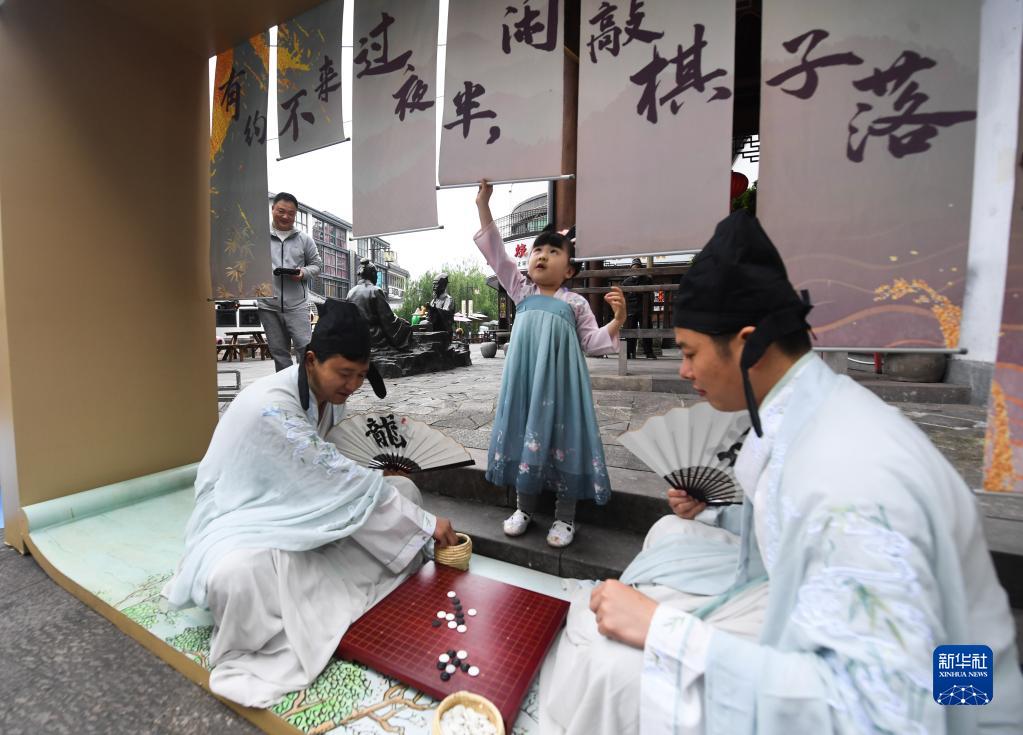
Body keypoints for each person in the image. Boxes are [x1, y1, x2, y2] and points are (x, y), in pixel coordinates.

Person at [539, 210, 1023, 733]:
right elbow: (791, 529)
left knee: (608, 664)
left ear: (747, 343)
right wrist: (716, 514)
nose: (684, 370)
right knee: (671, 530)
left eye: (691, 352)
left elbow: (891, 707)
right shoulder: (808, 408)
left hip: (952, 694)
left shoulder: (849, 477)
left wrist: (663, 630)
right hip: (859, 621)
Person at [163, 300, 458, 708]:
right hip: (241, 516)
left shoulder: (328, 395)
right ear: (312, 360)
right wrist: (422, 522)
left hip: (298, 504)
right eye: (344, 373)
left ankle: (320, 588)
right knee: (236, 577)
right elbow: (326, 473)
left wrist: (384, 487)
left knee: (402, 491)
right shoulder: (272, 406)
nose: (352, 385)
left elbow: (327, 470)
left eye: (360, 375)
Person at [474, 181, 626, 548]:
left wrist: (618, 320)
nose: (542, 255)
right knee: (525, 436)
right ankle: (523, 508)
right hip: (526, 386)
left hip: (562, 389)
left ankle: (565, 517)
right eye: (537, 250)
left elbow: (592, 343)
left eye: (553, 251)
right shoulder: (521, 291)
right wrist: (483, 205)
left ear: (569, 270)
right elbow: (497, 256)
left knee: (565, 441)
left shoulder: (575, 304)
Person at [259, 192, 323, 372]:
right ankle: (286, 387)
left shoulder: (304, 239)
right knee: (279, 353)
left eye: (291, 213)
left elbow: (317, 265)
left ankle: (308, 384)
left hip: (297, 305)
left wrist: (303, 273)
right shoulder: (259, 237)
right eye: (281, 211)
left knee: (305, 348)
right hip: (268, 305)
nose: (286, 216)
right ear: (273, 209)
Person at [347, 259, 413, 350]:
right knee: (406, 327)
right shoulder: (375, 290)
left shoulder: (351, 292)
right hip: (373, 336)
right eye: (376, 274)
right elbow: (387, 319)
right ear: (373, 274)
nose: (377, 277)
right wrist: (402, 322)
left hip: (356, 335)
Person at [621, 257, 656, 359]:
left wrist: (651, 308)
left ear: (641, 268)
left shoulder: (647, 280)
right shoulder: (626, 282)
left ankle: (648, 352)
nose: (636, 269)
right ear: (631, 268)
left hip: (644, 308)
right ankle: (629, 352)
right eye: (634, 267)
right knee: (630, 329)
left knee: (647, 329)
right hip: (630, 308)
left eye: (638, 267)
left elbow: (651, 294)